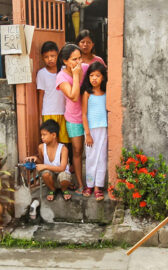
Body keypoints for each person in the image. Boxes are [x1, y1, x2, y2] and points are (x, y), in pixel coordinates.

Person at [56, 43, 89, 195]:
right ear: (65, 61)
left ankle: (93, 183)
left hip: (89, 116)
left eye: (79, 58)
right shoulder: (61, 77)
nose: (78, 62)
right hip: (74, 118)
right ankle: (80, 184)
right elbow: (74, 97)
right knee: (77, 150)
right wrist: (76, 76)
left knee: (91, 150)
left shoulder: (85, 68)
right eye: (74, 59)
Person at [26, 119, 72, 201]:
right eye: (41, 135)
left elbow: (62, 168)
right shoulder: (41, 147)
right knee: (45, 174)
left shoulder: (63, 149)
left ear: (54, 135)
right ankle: (52, 189)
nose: (42, 137)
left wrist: (44, 166)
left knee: (64, 176)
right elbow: (42, 163)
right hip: (50, 178)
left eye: (44, 135)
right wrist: (36, 159)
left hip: (62, 177)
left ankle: (64, 189)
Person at [81, 62, 108, 201]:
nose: (94, 78)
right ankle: (89, 185)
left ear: (103, 77)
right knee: (91, 158)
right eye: (91, 75)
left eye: (97, 75)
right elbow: (84, 114)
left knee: (102, 159)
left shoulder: (106, 93)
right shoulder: (87, 93)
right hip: (91, 130)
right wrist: (87, 134)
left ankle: (98, 186)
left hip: (103, 129)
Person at [36, 41, 70, 145]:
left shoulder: (65, 71)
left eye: (52, 56)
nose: (50, 59)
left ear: (58, 55)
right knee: (50, 143)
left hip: (65, 113)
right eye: (46, 57)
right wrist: (40, 117)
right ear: (42, 57)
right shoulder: (42, 73)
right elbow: (41, 96)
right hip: (48, 113)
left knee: (65, 143)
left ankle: (64, 161)